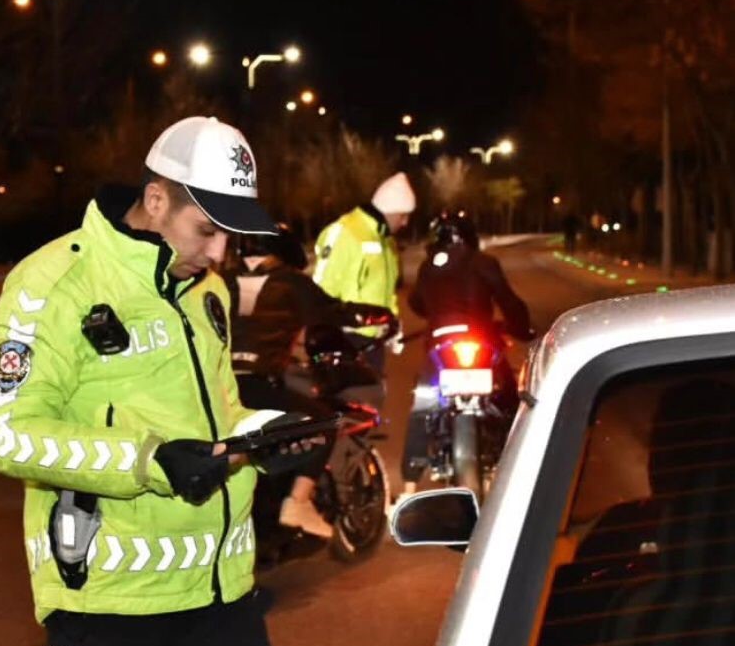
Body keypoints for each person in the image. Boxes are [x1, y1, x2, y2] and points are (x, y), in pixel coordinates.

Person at [0, 116, 324, 646]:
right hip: (108, 599)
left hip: (219, 589)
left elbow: (221, 412)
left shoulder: (208, 291)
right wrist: (150, 461)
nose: (218, 253)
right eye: (207, 230)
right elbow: (6, 434)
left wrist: (267, 435)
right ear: (157, 200)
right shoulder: (52, 285)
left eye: (229, 235)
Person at [224, 223, 396, 539]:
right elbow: (337, 312)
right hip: (258, 385)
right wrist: (380, 317)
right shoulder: (291, 283)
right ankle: (298, 503)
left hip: (217, 388)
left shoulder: (220, 281)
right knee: (324, 423)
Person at [401, 210, 534, 497]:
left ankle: (408, 487)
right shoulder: (484, 262)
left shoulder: (428, 267)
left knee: (423, 403)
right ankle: (524, 462)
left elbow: (417, 304)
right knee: (511, 400)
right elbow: (509, 302)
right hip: (482, 341)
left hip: (441, 346)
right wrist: (522, 330)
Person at [312, 171, 415, 378]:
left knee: (373, 395)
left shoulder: (386, 241)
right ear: (391, 211)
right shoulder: (345, 232)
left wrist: (392, 322)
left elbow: (385, 290)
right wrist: (330, 331)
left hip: (372, 342)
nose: (405, 223)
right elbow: (321, 287)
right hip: (344, 341)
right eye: (403, 216)